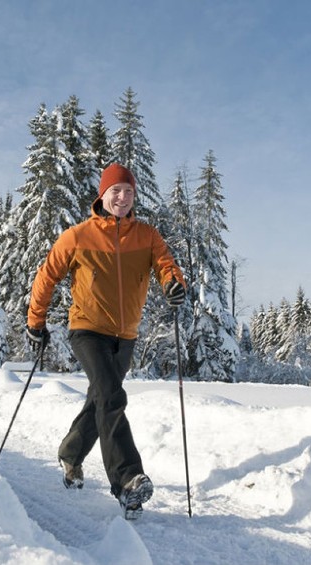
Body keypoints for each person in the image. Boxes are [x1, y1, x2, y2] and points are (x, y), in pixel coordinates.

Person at [26, 162, 186, 519]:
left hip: (125, 335)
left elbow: (165, 264)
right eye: (116, 191)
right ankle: (128, 479)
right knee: (111, 397)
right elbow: (47, 275)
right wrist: (35, 321)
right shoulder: (79, 236)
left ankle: (71, 453)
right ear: (102, 194)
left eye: (128, 191)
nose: (123, 197)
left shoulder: (146, 235)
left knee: (100, 397)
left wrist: (174, 284)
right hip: (87, 329)